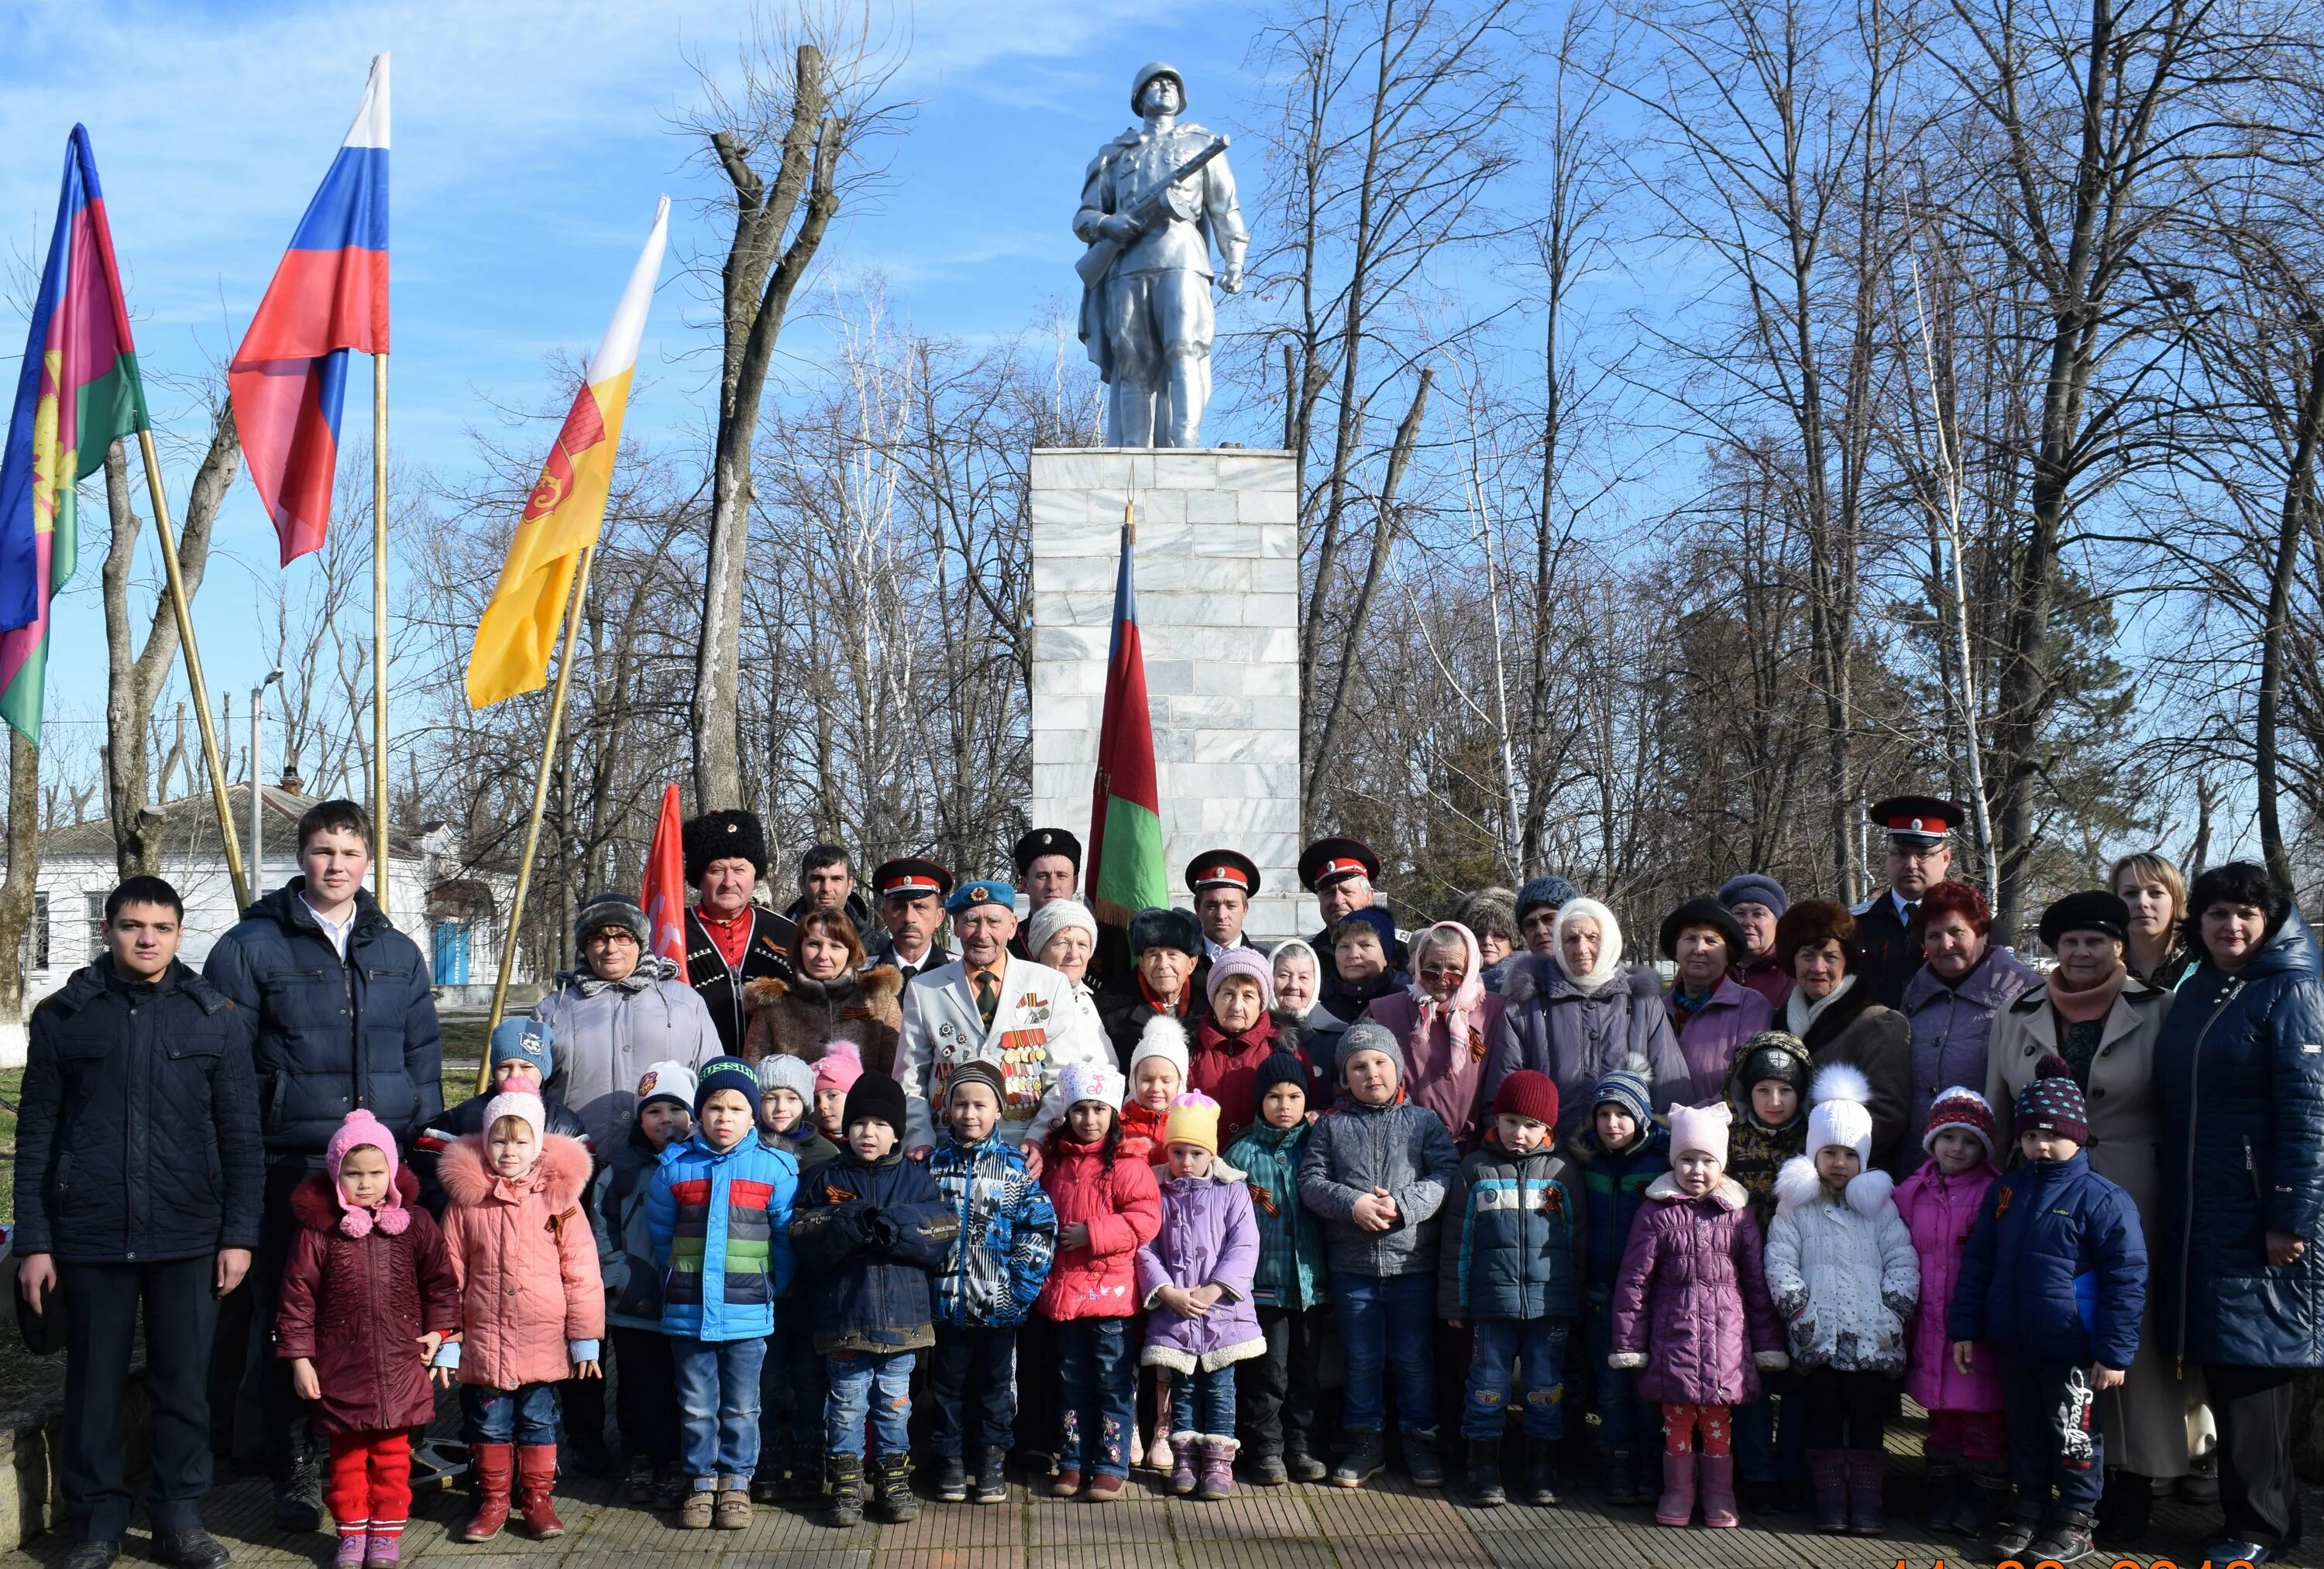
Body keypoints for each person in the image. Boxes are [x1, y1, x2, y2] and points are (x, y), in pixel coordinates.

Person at [204, 799, 441, 1533]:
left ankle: (393, 1447)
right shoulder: (251, 946)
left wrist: (418, 1153)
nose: (336, 865)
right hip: (295, 1160)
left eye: (349, 852)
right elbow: (227, 1065)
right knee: (297, 1315)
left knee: (383, 1311)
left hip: (384, 1169)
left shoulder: (398, 951)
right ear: (300, 856)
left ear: (367, 860)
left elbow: (422, 1055)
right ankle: (297, 1465)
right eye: (322, 851)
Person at [15, 875, 262, 1569]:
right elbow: (36, 1134)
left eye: (160, 927)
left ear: (180, 934)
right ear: (108, 930)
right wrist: (34, 1241)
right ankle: (95, 1525)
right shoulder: (64, 1016)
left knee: (183, 1384)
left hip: (189, 1234)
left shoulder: (215, 1016)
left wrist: (239, 1235)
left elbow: (240, 1136)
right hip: (89, 1233)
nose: (146, 938)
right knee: (92, 1385)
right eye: (131, 926)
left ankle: (180, 1519)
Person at [1989, 887, 2195, 1542]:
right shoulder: (2016, 1014)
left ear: (2118, 947)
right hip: (2041, 1203)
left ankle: (2133, 1482)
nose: (2081, 952)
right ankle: (2050, 1487)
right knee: (2051, 1338)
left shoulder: (2159, 1009)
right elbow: (1999, 1114)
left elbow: (2185, 1108)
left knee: (2123, 1338)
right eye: (2070, 941)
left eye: (2096, 941)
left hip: (2133, 1192)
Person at [2152, 862, 2324, 1567]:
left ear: (2269, 921)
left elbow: (2310, 1115)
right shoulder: (2207, 989)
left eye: (2246, 915)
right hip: (2201, 1207)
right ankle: (2261, 1521)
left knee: (2258, 1372)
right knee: (2230, 1368)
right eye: (2218, 913)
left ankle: (2261, 1527)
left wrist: (2290, 1217)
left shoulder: (2292, 990)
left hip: (2258, 1216)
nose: (2230, 926)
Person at [1951, 1058, 2148, 1565]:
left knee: (2075, 1435)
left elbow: (2127, 1278)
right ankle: (2031, 1509)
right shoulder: (2006, 1191)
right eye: (2030, 1135)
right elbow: (1978, 1263)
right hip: (2014, 1342)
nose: (2040, 1145)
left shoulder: (2103, 1199)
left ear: (2079, 1136)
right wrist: (1966, 1328)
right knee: (2026, 1432)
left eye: (2052, 1135)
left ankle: (2077, 1520)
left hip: (2074, 1349)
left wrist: (2115, 1351)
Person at [273, 1111, 459, 1569]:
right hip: (341, 1367)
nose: (365, 1183)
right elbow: (296, 1297)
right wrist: (299, 1358)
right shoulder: (319, 1231)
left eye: (376, 1173)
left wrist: (441, 1334)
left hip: (401, 1363)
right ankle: (352, 1535)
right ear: (336, 1173)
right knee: (347, 1461)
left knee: (395, 1459)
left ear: (393, 1172)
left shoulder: (415, 1224)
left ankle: (386, 1536)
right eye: (353, 1173)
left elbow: (440, 1285)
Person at [1608, 1100, 1788, 1531]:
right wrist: (1630, 1344)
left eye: (1707, 1161)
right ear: (1674, 1161)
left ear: (1721, 1163)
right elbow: (1635, 1284)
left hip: (1727, 1341)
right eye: (1687, 1159)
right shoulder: (1656, 1213)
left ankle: (1719, 1492)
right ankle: (1678, 1490)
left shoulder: (1738, 1214)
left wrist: (1766, 1345)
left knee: (1717, 1421)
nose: (1696, 1170)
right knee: (1677, 1420)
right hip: (1675, 1339)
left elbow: (1758, 1287)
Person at [431, 1091, 602, 1544]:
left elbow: (581, 1270)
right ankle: (492, 1499)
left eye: (521, 1143)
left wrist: (585, 1337)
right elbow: (448, 1274)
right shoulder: (466, 1203)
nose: (510, 1152)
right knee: (488, 1423)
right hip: (485, 1339)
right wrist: (449, 1337)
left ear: (538, 1146)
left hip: (542, 1338)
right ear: (485, 1144)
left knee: (539, 1421)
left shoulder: (558, 1201)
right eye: (500, 1142)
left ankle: (538, 1499)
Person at [789, 1071, 957, 1529]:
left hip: (903, 1322)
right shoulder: (825, 1177)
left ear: (898, 1132)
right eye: (860, 1122)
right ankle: (845, 1486)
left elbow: (942, 1228)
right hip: (845, 1318)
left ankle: (893, 1482)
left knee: (894, 1405)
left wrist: (893, 1227)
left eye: (881, 1124)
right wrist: (847, 1221)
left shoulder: (918, 1181)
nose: (869, 1132)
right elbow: (802, 1232)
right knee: (845, 1405)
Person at [1298, 1019, 1460, 1489]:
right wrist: (1353, 1204)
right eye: (1358, 1066)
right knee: (1361, 1358)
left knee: (1414, 1358)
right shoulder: (1331, 1127)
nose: (1372, 1073)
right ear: (1344, 1077)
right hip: (1354, 1269)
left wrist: (1404, 1206)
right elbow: (1311, 1181)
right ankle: (1365, 1442)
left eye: (1380, 1063)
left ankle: (1420, 1440)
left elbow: (1445, 1174)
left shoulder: (1424, 1122)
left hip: (1413, 1265)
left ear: (1398, 1068)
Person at [645, 1056, 798, 1531]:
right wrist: (676, 1285)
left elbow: (785, 1242)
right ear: (699, 1113)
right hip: (689, 1310)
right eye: (714, 1107)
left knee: (742, 1404)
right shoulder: (674, 1169)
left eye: (736, 1109)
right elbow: (660, 1239)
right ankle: (701, 1481)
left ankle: (736, 1481)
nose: (724, 1118)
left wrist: (771, 1287)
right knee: (695, 1403)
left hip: (749, 1311)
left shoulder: (776, 1168)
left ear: (753, 1115)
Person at [1765, 1066, 1917, 1536]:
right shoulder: (1796, 1208)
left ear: (1863, 1160)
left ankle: (1868, 1499)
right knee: (1824, 1417)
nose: (1838, 1163)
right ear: (1814, 1154)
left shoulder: (1880, 1208)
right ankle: (1830, 1497)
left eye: (1850, 1154)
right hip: (1821, 1334)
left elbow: (1903, 1259)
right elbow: (1779, 1261)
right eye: (1829, 1152)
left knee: (1869, 1420)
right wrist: (1798, 1309)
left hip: (1874, 1336)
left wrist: (1894, 1309)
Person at [1074, 60, 1249, 446]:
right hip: (1129, 265)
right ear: (1139, 97)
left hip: (1184, 259)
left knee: (1185, 346)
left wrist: (1234, 259)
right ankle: (1134, 451)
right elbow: (1084, 217)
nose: (1165, 88)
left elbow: (1224, 209)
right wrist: (1108, 225)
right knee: (1133, 359)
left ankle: (1185, 442)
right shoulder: (1115, 155)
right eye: (1156, 84)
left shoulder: (1202, 147)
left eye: (1172, 83)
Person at [1438, 1070, 1580, 1509]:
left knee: (1543, 1386)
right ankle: (1483, 1468)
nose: (1520, 1133)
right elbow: (1456, 1243)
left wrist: (1576, 1299)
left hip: (1549, 1308)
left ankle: (1542, 1467)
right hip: (1489, 1306)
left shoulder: (1562, 1173)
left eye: (1532, 1125)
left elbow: (1577, 1242)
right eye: (1511, 1121)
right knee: (1487, 1386)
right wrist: (1454, 1302)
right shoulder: (1475, 1169)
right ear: (1496, 1120)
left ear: (1548, 1130)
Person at [896, 878, 1109, 1162]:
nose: (983, 934)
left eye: (994, 922)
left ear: (1012, 926)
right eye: (971, 921)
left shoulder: (1049, 984)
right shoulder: (925, 990)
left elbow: (1061, 1074)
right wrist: (920, 1138)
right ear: (956, 926)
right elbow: (910, 1076)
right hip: (946, 1147)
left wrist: (1040, 1137)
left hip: (1023, 1146)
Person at [925, 1062, 1061, 1505]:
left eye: (980, 1104)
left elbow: (1038, 1230)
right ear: (947, 1110)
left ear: (999, 1110)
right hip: (944, 1308)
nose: (969, 1113)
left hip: (998, 1309)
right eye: (960, 1104)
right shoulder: (931, 1169)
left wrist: (1017, 1292)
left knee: (995, 1392)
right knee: (945, 1391)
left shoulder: (1015, 1170)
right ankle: (948, 1462)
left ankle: (990, 1462)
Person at [1037, 1060, 1162, 1501]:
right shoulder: (1057, 1164)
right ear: (1067, 1114)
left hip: (1109, 1295)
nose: (1089, 1120)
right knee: (1071, 1380)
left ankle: (1111, 1461)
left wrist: (1093, 1234)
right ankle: (1072, 1459)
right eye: (1080, 1111)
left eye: (1099, 1111)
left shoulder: (1128, 1163)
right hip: (1066, 1293)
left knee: (1111, 1378)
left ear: (1113, 1114)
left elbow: (1145, 1220)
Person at [1137, 1091, 1265, 1500]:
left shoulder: (1231, 1191)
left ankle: (1218, 1464)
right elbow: (1145, 1246)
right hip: (1177, 1311)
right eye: (1177, 1153)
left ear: (1211, 1154)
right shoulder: (1158, 1192)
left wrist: (1215, 1289)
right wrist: (1167, 1292)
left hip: (1223, 1311)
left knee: (1221, 1387)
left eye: (1195, 1153)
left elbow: (1244, 1244)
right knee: (1184, 1387)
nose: (1186, 1162)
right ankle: (1185, 1460)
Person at [1892, 1087, 2006, 1536]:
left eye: (1970, 1141)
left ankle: (1983, 1502)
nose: (1957, 1148)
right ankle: (1943, 1496)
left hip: (1973, 1327)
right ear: (1932, 1141)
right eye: (1948, 1138)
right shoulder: (1909, 1193)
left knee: (1982, 1416)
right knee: (1940, 1416)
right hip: (1928, 1324)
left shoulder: (1996, 1193)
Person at [1484, 898, 1690, 1145]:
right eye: (1571, 939)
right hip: (1548, 1158)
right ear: (1559, 945)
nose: (1581, 949)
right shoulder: (1526, 1005)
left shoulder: (1642, 1003)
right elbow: (1504, 1089)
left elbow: (1670, 1088)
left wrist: (1664, 1148)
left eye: (1592, 937)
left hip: (1630, 1160)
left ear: (1609, 941)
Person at [535, 892, 720, 1157]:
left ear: (640, 942)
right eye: (599, 938)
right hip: (571, 1162)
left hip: (670, 1161)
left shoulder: (685, 1003)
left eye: (623, 937)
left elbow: (713, 1082)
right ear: (585, 945)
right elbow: (521, 1087)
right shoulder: (551, 1009)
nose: (611, 948)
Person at [590, 1062, 694, 1510]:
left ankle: (674, 1460)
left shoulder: (701, 1162)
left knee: (681, 1384)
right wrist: (617, 1274)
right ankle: (639, 1456)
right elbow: (600, 1224)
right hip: (634, 1299)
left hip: (688, 1298)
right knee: (636, 1384)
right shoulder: (622, 1168)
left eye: (676, 1109)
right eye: (654, 1111)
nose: (665, 1120)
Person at [1569, 1056, 1669, 1507]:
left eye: (1623, 1114)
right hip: (1597, 1290)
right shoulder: (1582, 1158)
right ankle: (1618, 1460)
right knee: (1609, 1387)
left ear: (1643, 1116)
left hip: (1649, 1295)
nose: (1612, 1123)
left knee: (1647, 1385)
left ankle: (1651, 1461)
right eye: (1604, 1114)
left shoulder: (1663, 1161)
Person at [1227, 1052, 1332, 1487]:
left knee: (1306, 1370)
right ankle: (1265, 1448)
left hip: (1312, 1283)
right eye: (1274, 1096)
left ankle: (1301, 1445)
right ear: (1259, 1101)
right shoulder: (1242, 1153)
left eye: (1293, 1095)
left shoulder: (1318, 1144)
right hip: (1264, 1286)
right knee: (1268, 1372)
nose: (1284, 1105)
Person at [1720, 1031, 1812, 1511]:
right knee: (1750, 1371)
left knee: (1799, 1375)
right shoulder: (1729, 1136)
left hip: (1805, 1275)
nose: (1775, 1101)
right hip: (1742, 1275)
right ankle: (1755, 1470)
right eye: (1762, 1090)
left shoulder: (1815, 1138)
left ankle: (1793, 1470)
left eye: (1786, 1090)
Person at [751, 1056, 836, 1505]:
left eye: (791, 1098)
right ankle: (762, 1460)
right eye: (770, 1097)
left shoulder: (826, 1157)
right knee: (765, 1378)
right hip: (759, 1285)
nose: (781, 1107)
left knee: (809, 1377)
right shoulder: (748, 1151)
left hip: (810, 1287)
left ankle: (808, 1459)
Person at [1775, 900, 1912, 1175]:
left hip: (1852, 1179)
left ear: (1847, 961)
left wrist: (1822, 1153)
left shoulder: (1879, 1024)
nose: (1818, 967)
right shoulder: (1777, 1023)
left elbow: (1888, 1114)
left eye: (1830, 956)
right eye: (1807, 955)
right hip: (1784, 1176)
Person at [413, 1018, 591, 1217]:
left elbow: (581, 1195)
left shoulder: (565, 1125)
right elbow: (431, 1183)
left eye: (526, 1067)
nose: (515, 1075)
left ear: (544, 1070)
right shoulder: (460, 1122)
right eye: (505, 1067)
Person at [1900, 881, 2037, 1138]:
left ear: (1983, 933)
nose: (1946, 944)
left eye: (1957, 932)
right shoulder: (1914, 992)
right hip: (1921, 1162)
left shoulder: (2025, 990)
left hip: (1994, 1159)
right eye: (1934, 936)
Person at [1360, 920, 1502, 1148]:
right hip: (1406, 1149)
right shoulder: (1384, 1012)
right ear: (1418, 965)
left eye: (1455, 970)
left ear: (1471, 969)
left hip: (1482, 1151)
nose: (1442, 979)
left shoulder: (1496, 1012)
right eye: (1432, 969)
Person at [680, 809, 796, 1055]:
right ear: (699, 878)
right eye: (717, 870)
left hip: (774, 1081)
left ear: (755, 875)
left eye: (739, 870)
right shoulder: (674, 933)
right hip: (696, 1073)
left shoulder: (786, 933)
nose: (729, 881)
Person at [741, 908, 905, 1076]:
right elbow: (753, 1075)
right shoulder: (773, 1006)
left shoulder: (879, 1001)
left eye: (835, 946)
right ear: (800, 948)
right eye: (814, 944)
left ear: (851, 952)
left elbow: (899, 1074)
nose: (823, 955)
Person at [1851, 795, 1967, 1008]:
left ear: (1946, 858)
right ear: (1887, 855)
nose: (1911, 865)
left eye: (1923, 854)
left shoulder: (1976, 925)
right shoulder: (1853, 924)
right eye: (1901, 853)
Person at [1659, 897, 1773, 1104]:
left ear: (1728, 955)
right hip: (1657, 1132)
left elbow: (1747, 1082)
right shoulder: (1656, 1010)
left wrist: (1690, 1119)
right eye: (1690, 938)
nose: (1699, 948)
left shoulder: (1750, 1007)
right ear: (1676, 950)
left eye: (1711, 941)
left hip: (1720, 1131)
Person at [1188, 946, 1298, 1142]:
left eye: (1248, 996)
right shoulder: (1189, 1047)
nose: (1237, 1006)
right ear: (1214, 998)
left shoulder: (1283, 1048)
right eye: (1228, 994)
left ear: (1261, 1002)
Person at [1098, 905, 1204, 1066]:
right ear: (1142, 963)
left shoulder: (1211, 1005)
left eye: (1172, 955)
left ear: (1192, 963)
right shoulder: (1111, 1013)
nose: (1163, 965)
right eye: (1153, 955)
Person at [1307, 908, 1405, 1068]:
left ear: (1386, 956)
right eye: (1344, 946)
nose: (1353, 954)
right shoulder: (1316, 1000)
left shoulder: (1405, 999)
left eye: (1365, 945)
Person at [1299, 836, 1404, 983]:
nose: (1337, 900)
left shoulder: (1403, 950)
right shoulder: (1304, 953)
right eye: (1329, 893)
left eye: (1347, 892)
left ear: (1369, 896)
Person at [2112, 850, 2195, 990]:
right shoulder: (2102, 965)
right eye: (2130, 893)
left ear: (2176, 900)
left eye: (2156, 893)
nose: (2142, 902)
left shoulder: (2202, 962)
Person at [865, 857, 953, 982]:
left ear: (939, 917)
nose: (909, 918)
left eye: (920, 907)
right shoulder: (862, 975)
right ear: (885, 915)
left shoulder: (960, 971)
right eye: (899, 907)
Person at [1719, 873, 1793, 1009]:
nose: (1748, 922)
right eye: (1739, 913)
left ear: (1777, 923)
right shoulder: (1709, 968)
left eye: (1759, 914)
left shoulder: (1794, 972)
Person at [1186, 848, 1261, 963]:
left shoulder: (1267, 963)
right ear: (1197, 908)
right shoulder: (1181, 965)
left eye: (1231, 906)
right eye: (1212, 905)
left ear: (1245, 909)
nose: (1221, 915)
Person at [786, 843, 873, 940]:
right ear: (802, 884)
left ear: (849, 885)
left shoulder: (878, 948)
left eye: (836, 879)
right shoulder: (775, 942)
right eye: (817, 879)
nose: (826, 888)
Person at [1453, 887, 1519, 993]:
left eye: (1498, 935)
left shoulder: (1527, 984)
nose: (1487, 941)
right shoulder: (1448, 980)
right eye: (1479, 934)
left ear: (1515, 941)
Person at [1269, 938, 1325, 1055]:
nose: (1293, 986)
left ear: (1316, 982)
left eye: (1303, 977)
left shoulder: (1335, 1035)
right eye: (1284, 976)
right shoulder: (1251, 1031)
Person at [1514, 875, 1580, 958]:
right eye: (1531, 924)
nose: (1540, 931)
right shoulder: (1517, 970)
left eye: (1550, 919)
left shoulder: (1598, 969)